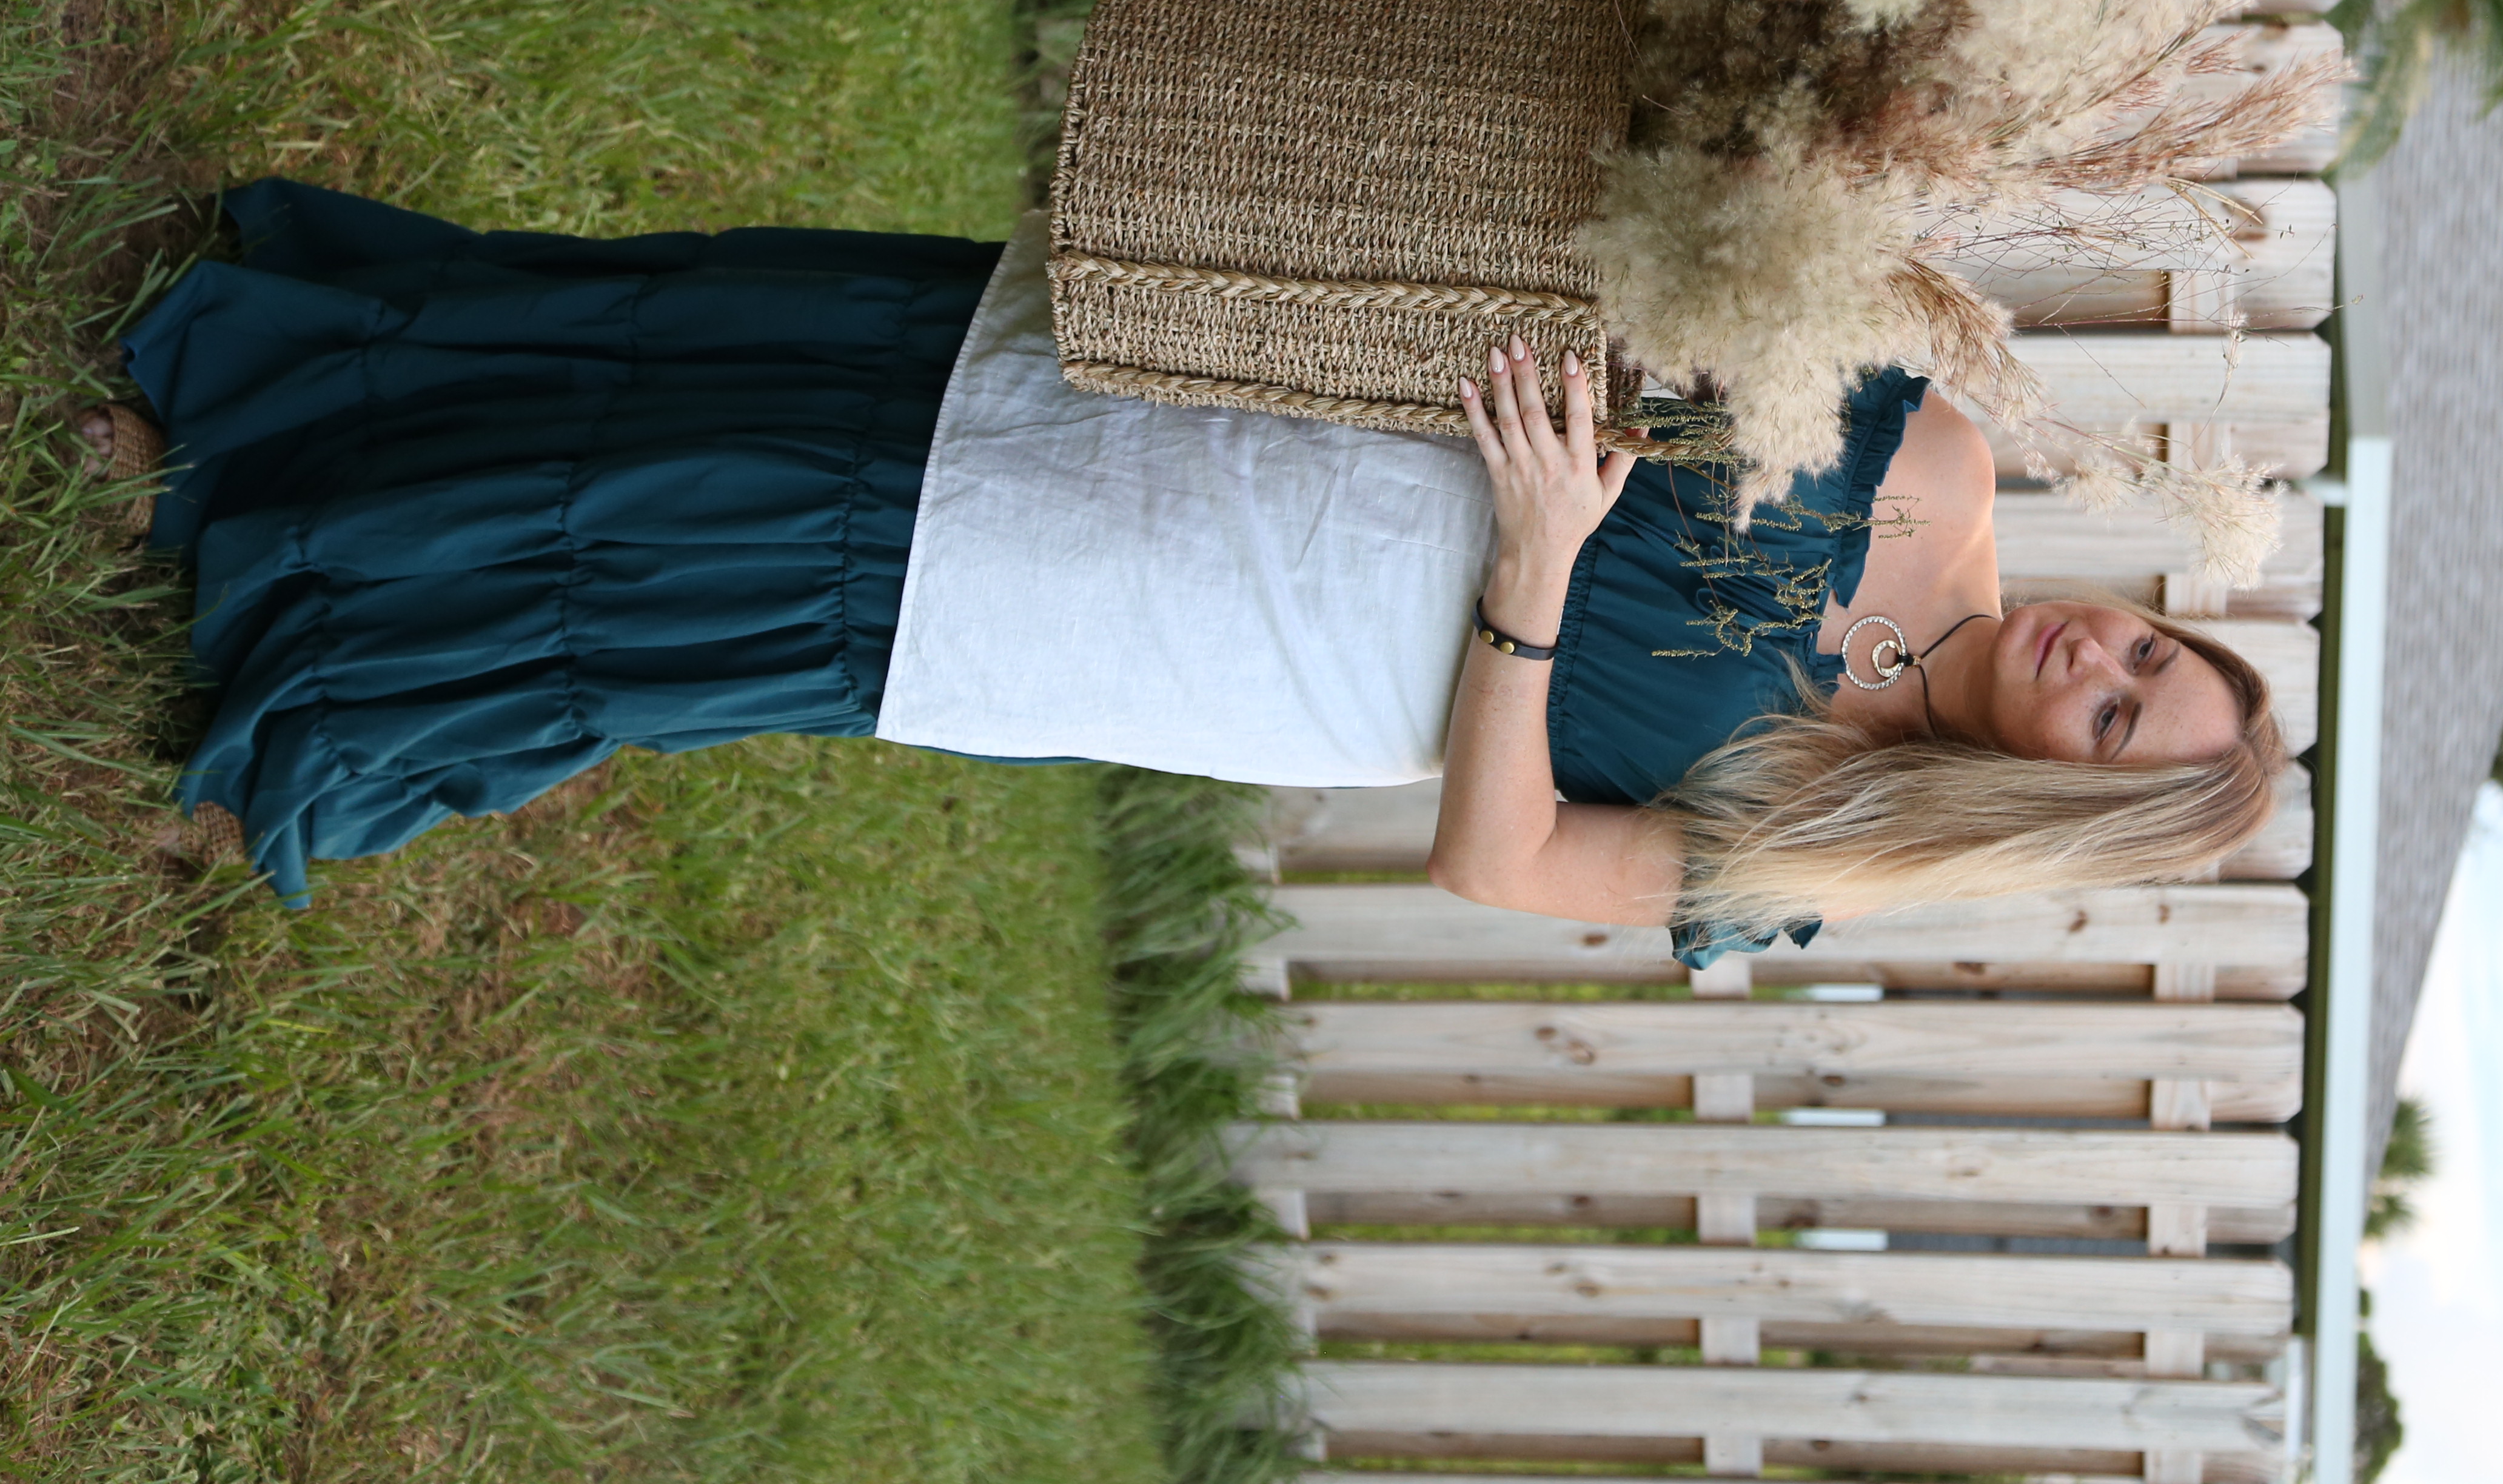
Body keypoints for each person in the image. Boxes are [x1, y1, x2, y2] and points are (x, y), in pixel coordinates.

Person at [93, 180, 2288, 955]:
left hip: (1232, 628)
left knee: (803, 561)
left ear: (2064, 798)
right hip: (1289, 394)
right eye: (2157, 650)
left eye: (2118, 717)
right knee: (786, 364)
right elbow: (1694, 287)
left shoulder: (1825, 844)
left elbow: (1504, 862)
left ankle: (322, 592)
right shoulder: (1935, 454)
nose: (2107, 652)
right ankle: (310, 395)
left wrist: (1540, 569)